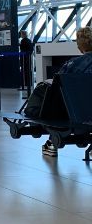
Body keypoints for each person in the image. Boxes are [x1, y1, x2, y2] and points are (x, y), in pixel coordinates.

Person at [34, 27, 92, 157]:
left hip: (79, 114)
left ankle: (51, 143)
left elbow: (57, 86)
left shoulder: (72, 64)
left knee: (55, 99)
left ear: (79, 46)